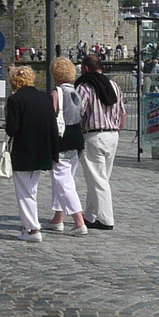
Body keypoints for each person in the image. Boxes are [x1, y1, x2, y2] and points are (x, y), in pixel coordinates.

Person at [4, 64, 58, 242]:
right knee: (31, 189)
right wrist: (54, 153)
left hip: (23, 150)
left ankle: (32, 229)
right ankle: (29, 224)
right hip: (42, 149)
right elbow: (53, 126)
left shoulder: (15, 100)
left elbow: (12, 129)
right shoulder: (44, 98)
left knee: (24, 191)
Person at [76, 56, 126, 230]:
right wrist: (116, 130)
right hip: (112, 135)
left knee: (97, 179)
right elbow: (123, 113)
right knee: (99, 178)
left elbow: (78, 112)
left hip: (93, 135)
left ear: (86, 68)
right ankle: (90, 216)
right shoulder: (114, 86)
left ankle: (106, 219)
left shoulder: (85, 86)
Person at [44, 58, 88, 236]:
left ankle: (79, 221)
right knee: (65, 179)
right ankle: (58, 218)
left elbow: (50, 117)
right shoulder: (76, 92)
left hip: (62, 139)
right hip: (76, 138)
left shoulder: (57, 93)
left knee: (63, 181)